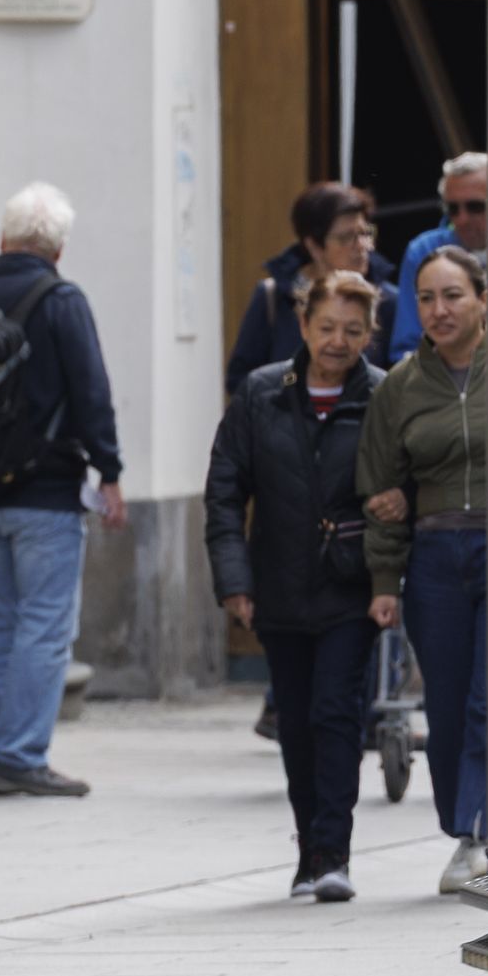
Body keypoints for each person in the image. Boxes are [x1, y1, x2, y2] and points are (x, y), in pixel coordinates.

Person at [0, 183, 124, 797]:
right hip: (44, 493)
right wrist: (111, 471)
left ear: (3, 241)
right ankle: (20, 754)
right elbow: (90, 389)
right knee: (45, 623)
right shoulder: (62, 301)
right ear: (58, 249)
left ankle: (4, 748)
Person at [208, 268, 383, 903]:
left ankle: (334, 851)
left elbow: (398, 490)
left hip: (349, 585)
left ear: (370, 335)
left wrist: (387, 572)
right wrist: (235, 580)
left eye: (354, 331)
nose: (339, 342)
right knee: (298, 722)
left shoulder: (380, 397)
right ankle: (309, 849)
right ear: (304, 324)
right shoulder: (261, 394)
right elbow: (226, 492)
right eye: (328, 327)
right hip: (278, 583)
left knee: (338, 715)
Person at [365, 245, 488, 898]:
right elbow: (381, 488)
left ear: (484, 299)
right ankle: (463, 826)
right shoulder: (401, 386)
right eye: (427, 298)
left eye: (453, 295)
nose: (439, 310)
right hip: (435, 557)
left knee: (485, 697)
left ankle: (480, 833)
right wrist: (385, 583)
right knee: (443, 704)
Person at [230, 182, 382, 394]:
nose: (362, 246)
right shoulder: (275, 297)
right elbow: (239, 379)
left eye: (365, 233)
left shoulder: (386, 299)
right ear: (314, 246)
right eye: (346, 237)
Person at [385, 154, 488, 365]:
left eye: (475, 207)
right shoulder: (423, 250)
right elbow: (406, 346)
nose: (462, 219)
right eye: (453, 209)